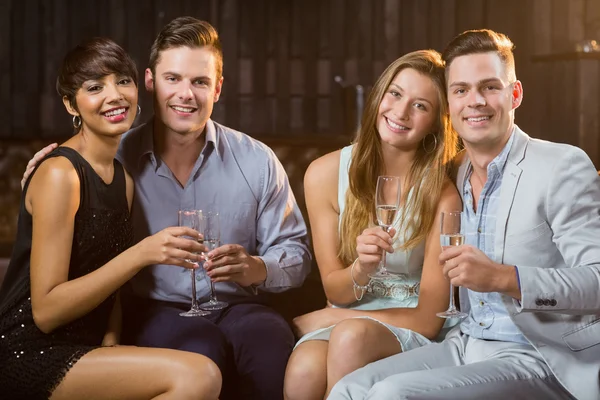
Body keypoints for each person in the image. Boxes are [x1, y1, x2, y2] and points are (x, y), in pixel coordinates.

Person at [22, 17, 311, 400]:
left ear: (218, 89)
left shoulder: (257, 160)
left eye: (200, 82)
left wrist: (256, 268)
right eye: (173, 79)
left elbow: (296, 254)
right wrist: (50, 164)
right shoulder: (114, 159)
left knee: (272, 346)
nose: (186, 94)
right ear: (150, 83)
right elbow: (72, 172)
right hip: (153, 308)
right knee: (200, 346)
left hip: (239, 306)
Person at [328, 29, 600, 400]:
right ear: (449, 105)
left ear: (514, 93)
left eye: (489, 87)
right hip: (465, 344)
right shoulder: (451, 174)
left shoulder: (560, 166)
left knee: (392, 395)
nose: (475, 101)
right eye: (460, 90)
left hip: (539, 355)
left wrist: (506, 278)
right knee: (349, 389)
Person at [0, 37, 221, 400]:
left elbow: (111, 290)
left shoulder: (124, 180)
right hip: (29, 350)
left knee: (200, 367)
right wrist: (142, 253)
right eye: (94, 87)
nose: (114, 95)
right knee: (199, 376)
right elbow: (45, 312)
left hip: (87, 349)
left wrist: (112, 340)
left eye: (122, 80)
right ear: (71, 104)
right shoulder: (61, 174)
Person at [283, 49, 461, 399]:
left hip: (410, 324)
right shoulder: (323, 173)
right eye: (395, 94)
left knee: (351, 338)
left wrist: (332, 320)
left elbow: (429, 319)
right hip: (352, 310)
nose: (400, 112)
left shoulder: (442, 194)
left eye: (420, 105)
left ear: (437, 121)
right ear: (380, 94)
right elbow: (336, 291)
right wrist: (361, 270)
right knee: (303, 372)